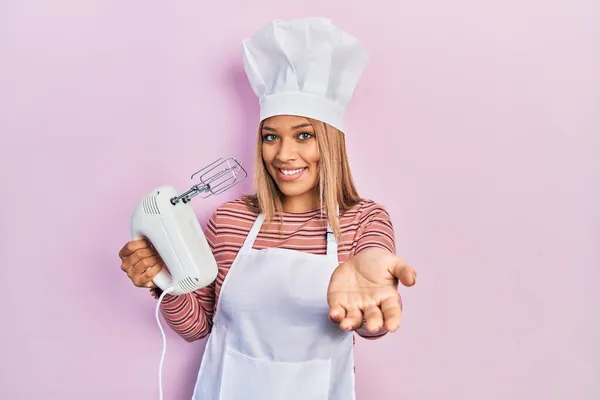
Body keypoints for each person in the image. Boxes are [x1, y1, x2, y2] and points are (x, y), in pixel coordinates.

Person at [118, 17, 417, 400]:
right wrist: (164, 278)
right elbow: (197, 327)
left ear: (331, 143)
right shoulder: (230, 220)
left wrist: (370, 299)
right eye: (270, 137)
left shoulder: (363, 220)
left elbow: (372, 317)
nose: (284, 154)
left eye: (304, 135)